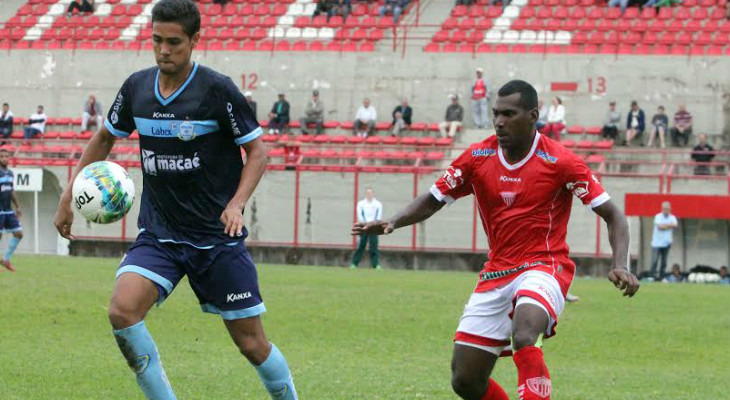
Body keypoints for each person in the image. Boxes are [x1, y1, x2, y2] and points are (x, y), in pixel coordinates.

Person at [52, 1, 299, 399]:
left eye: (174, 42)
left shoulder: (216, 90)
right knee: (122, 311)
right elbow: (104, 139)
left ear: (194, 40)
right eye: (156, 40)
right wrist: (69, 193)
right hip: (161, 234)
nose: (163, 50)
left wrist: (235, 204)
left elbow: (259, 153)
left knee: (251, 344)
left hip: (216, 239)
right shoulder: (137, 88)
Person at [352, 80, 639, 400]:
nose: (499, 121)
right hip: (497, 273)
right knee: (465, 379)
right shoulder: (477, 156)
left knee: (526, 330)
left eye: (509, 114)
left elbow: (614, 215)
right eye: (496, 114)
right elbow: (433, 200)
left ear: (533, 116)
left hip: (544, 266)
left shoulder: (561, 161)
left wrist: (620, 264)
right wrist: (393, 221)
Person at [0, 149, 23, 272]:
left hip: (8, 210)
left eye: (6, 156)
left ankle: (5, 259)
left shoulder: (10, 173)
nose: (4, 158)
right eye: (1, 156)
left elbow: (11, 190)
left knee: (19, 233)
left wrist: (18, 206)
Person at [350, 188, 383, 270]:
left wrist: (374, 224)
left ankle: (375, 265)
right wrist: (364, 224)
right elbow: (360, 215)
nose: (369, 195)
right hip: (364, 227)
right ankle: (354, 263)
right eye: (368, 193)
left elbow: (378, 216)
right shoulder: (361, 204)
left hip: (374, 227)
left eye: (371, 193)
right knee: (361, 246)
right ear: (365, 194)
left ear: (373, 194)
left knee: (374, 246)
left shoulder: (378, 204)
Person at [649, 201, 678, 280]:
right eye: (665, 209)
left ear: (670, 209)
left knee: (664, 262)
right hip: (657, 243)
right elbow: (660, 227)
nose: (666, 210)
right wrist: (669, 225)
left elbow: (674, 225)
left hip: (667, 243)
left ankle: (662, 277)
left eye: (668, 209)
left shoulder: (672, 217)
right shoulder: (658, 216)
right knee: (654, 260)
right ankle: (652, 276)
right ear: (662, 209)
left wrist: (665, 225)